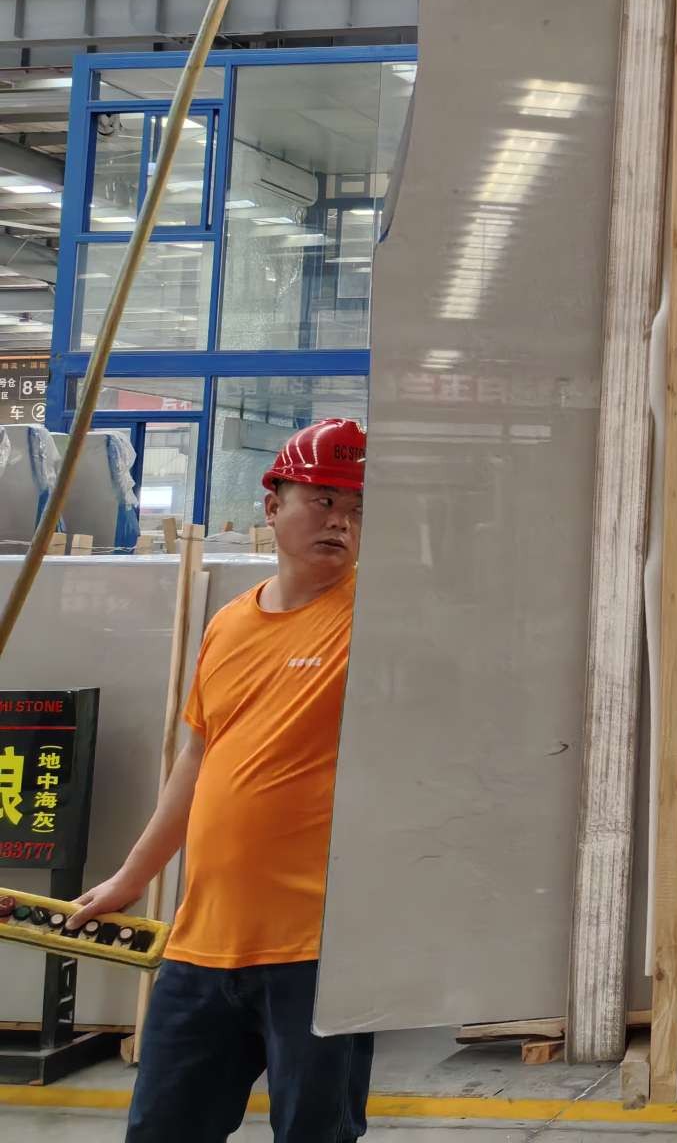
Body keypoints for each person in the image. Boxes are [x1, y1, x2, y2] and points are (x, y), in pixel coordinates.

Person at [69, 418, 372, 1143]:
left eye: (358, 508)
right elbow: (198, 759)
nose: (340, 520)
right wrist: (131, 877)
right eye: (324, 500)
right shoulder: (230, 624)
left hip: (318, 953)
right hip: (201, 944)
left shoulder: (380, 620)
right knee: (162, 1130)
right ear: (272, 505)